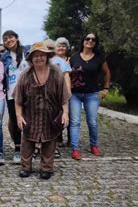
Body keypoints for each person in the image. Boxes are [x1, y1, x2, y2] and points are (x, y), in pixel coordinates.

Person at [15, 42, 70, 180]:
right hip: (30, 114)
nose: (39, 58)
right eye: (35, 56)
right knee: (27, 142)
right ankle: (25, 167)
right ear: (31, 58)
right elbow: (18, 98)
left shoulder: (56, 72)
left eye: (41, 55)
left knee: (49, 141)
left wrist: (65, 113)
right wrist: (18, 115)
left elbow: (63, 96)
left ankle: (46, 168)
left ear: (47, 56)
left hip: (50, 114)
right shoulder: (25, 75)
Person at [69, 32, 111, 160]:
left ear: (95, 42)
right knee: (75, 121)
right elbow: (67, 74)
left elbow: (107, 73)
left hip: (92, 94)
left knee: (92, 121)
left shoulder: (99, 58)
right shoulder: (74, 57)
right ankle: (75, 149)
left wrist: (106, 88)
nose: (90, 41)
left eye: (93, 39)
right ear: (83, 41)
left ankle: (94, 145)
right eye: (88, 38)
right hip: (75, 94)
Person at [0, 30, 29, 163]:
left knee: (30, 120)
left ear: (17, 38)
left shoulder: (27, 51)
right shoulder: (4, 57)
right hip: (12, 94)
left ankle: (30, 147)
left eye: (11, 37)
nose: (8, 40)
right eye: (5, 39)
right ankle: (17, 149)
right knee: (16, 122)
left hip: (29, 92)